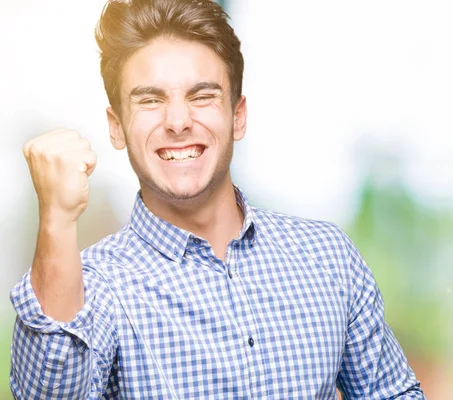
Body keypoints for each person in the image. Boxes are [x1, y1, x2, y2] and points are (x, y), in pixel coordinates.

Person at [10, 0, 425, 398]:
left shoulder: (327, 256)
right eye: (150, 100)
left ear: (237, 115)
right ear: (116, 127)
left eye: (201, 96)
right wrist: (57, 219)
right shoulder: (94, 287)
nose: (177, 122)